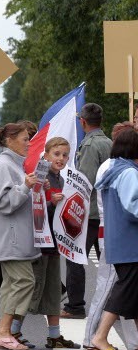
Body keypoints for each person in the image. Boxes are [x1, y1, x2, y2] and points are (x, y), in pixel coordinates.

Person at [11, 137, 79, 350]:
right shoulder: (41, 176)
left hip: (55, 241)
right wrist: (51, 203)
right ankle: (12, 330)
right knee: (32, 287)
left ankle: (54, 335)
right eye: (56, 154)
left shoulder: (61, 179)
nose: (61, 158)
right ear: (46, 155)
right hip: (40, 239)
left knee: (52, 289)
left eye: (65, 155)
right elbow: (35, 207)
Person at [0, 123, 38, 350]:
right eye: (25, 139)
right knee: (23, 281)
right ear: (10, 140)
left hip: (15, 235)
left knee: (12, 284)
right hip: (11, 237)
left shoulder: (12, 164)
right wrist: (25, 187)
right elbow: (4, 203)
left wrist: (30, 187)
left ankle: (6, 332)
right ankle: (3, 331)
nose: (29, 143)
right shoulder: (4, 166)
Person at [88, 126, 138, 350]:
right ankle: (100, 336)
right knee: (124, 290)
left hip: (118, 239)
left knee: (132, 290)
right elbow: (132, 207)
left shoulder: (113, 170)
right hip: (130, 242)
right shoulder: (129, 173)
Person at [63, 103, 111, 319]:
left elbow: (85, 182)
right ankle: (114, 306)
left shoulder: (90, 145)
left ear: (82, 121)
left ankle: (75, 306)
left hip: (90, 212)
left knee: (75, 257)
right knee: (108, 262)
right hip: (106, 211)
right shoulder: (109, 142)